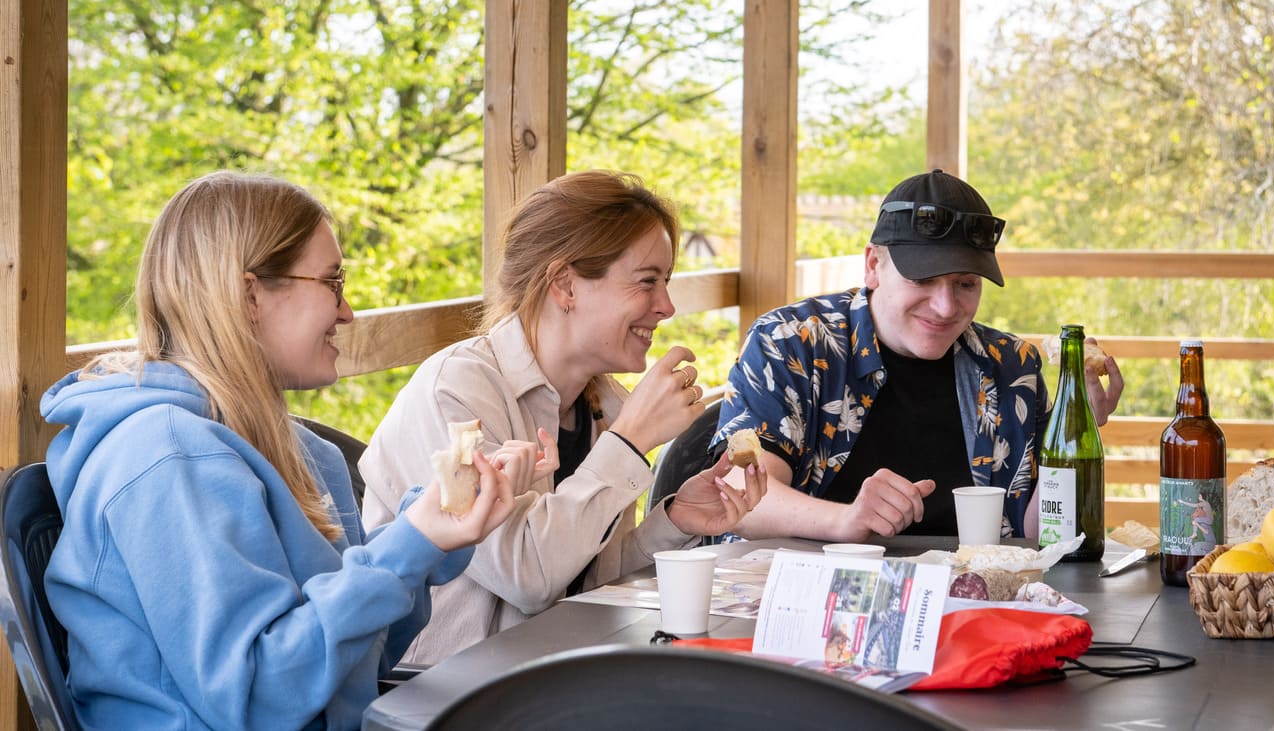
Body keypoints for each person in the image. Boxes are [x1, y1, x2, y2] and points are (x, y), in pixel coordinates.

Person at [40, 172, 547, 731]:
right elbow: (260, 700)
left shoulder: (300, 449)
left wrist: (432, 535)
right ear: (248, 294)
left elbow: (353, 663)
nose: (348, 311)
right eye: (332, 281)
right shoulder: (168, 457)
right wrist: (409, 546)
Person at [360, 170, 767, 662]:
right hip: (447, 692)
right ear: (565, 285)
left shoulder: (603, 406)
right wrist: (629, 443)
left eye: (667, 282)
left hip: (559, 673)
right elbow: (527, 576)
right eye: (647, 282)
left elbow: (590, 580)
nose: (666, 306)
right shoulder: (455, 391)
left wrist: (676, 520)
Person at [715, 169, 1123, 542]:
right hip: (804, 598)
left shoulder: (1010, 366)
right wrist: (846, 520)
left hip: (967, 599)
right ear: (874, 265)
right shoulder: (790, 343)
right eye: (923, 279)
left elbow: (1037, 535)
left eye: (965, 284)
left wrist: (1076, 429)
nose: (946, 307)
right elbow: (739, 496)